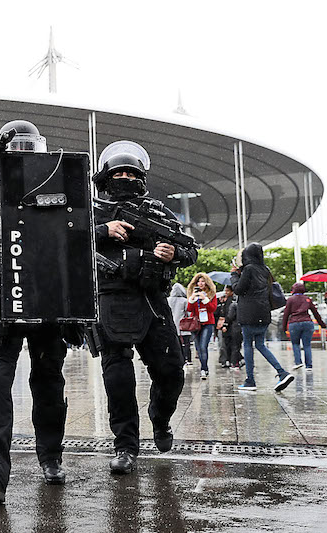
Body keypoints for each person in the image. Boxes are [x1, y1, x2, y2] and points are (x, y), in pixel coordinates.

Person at [0, 120, 76, 504]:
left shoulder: (59, 194)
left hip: (48, 298)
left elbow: (81, 233)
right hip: (3, 300)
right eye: (14, 150)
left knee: (49, 381)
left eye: (27, 148)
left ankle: (51, 457)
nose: (21, 155)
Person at [91, 140, 198, 475]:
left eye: (131, 174)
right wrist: (103, 230)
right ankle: (125, 446)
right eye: (118, 173)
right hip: (110, 301)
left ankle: (160, 418)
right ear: (106, 177)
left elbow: (190, 250)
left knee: (171, 371)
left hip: (152, 301)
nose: (125, 178)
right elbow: (65, 242)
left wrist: (174, 253)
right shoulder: (91, 210)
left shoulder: (158, 212)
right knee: (118, 380)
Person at [230, 243, 294, 392]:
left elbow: (238, 289)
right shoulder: (265, 270)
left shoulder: (248, 269)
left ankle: (250, 381)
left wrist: (234, 275)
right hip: (264, 313)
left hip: (249, 314)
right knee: (260, 344)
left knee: (247, 345)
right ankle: (282, 372)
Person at [282, 281, 326, 371]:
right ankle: (309, 366)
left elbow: (286, 314)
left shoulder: (290, 300)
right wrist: (322, 324)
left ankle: (298, 362)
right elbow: (315, 313)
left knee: (295, 344)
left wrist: (284, 327)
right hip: (307, 323)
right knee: (307, 345)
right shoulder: (307, 299)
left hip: (294, 323)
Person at [186, 273, 218, 380]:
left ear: (207, 283)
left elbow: (213, 308)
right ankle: (204, 367)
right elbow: (189, 309)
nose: (201, 283)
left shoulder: (212, 294)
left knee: (203, 346)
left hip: (207, 323)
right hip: (196, 324)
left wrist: (204, 299)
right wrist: (192, 298)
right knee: (198, 347)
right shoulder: (193, 293)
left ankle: (204, 369)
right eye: (199, 281)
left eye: (203, 281)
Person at [167, 283, 193, 365]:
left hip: (171, 326)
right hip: (183, 327)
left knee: (174, 344)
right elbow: (189, 313)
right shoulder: (184, 301)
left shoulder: (168, 300)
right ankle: (187, 358)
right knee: (186, 344)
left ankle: (176, 359)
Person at [219, 286, 243, 369]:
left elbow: (229, 315)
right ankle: (235, 361)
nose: (226, 292)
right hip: (236, 327)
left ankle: (234, 362)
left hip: (232, 327)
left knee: (232, 345)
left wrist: (225, 324)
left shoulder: (232, 303)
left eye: (227, 291)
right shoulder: (231, 301)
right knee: (233, 345)